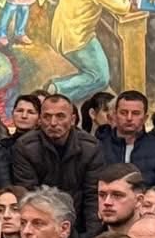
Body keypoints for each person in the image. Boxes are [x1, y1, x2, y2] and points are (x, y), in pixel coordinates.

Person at [12, 95, 101, 226]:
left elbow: (93, 196)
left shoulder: (90, 147)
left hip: (80, 221)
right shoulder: (25, 147)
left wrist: (91, 234)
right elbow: (29, 194)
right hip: (41, 222)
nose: (53, 123)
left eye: (60, 116)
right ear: (40, 120)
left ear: (72, 120)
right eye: (47, 117)